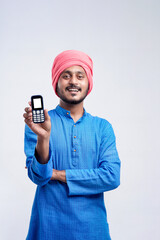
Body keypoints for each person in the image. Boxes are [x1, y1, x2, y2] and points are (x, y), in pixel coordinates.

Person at [23, 50, 121, 240]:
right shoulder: (39, 124)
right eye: (66, 76)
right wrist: (44, 136)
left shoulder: (102, 127)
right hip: (48, 228)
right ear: (56, 83)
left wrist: (58, 174)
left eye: (80, 76)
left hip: (93, 230)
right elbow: (39, 176)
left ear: (88, 82)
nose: (73, 81)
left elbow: (111, 176)